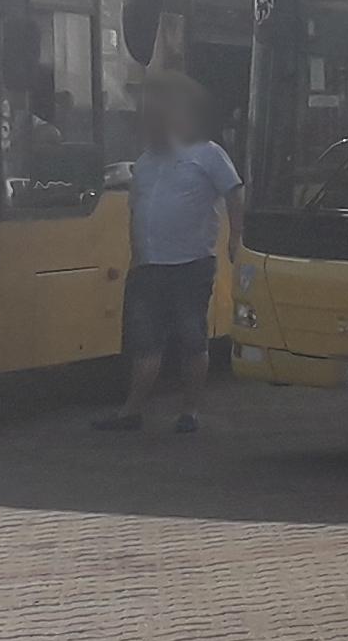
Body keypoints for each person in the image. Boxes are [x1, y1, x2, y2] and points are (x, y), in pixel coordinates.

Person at [95, 68, 240, 434]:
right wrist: (136, 254)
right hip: (148, 267)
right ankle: (131, 411)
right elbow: (137, 210)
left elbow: (234, 193)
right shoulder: (146, 162)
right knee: (145, 342)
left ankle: (189, 411)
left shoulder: (208, 154)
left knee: (192, 339)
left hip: (191, 265)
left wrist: (236, 239)